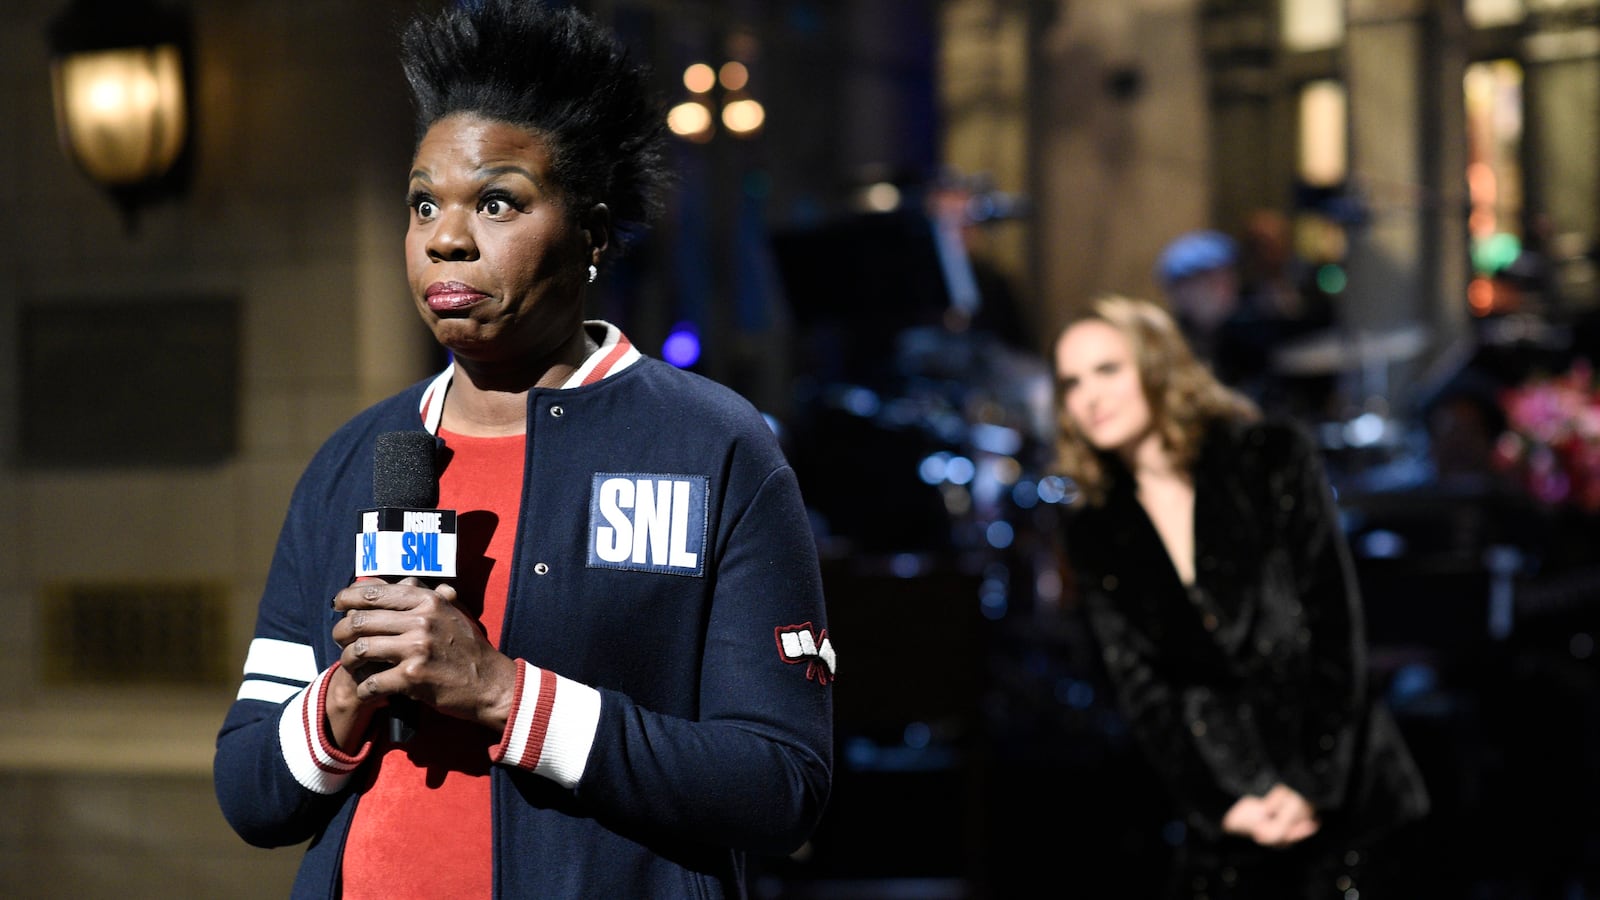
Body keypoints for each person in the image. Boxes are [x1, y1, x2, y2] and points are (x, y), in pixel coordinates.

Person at [212, 3, 835, 897]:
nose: (446, 237)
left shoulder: (713, 446)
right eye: (424, 203)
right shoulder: (356, 458)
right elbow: (249, 796)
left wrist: (506, 694)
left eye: (497, 202)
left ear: (591, 233)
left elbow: (781, 787)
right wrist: (350, 690)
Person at [1050, 295, 1429, 898]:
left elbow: (1336, 629)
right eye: (1072, 382)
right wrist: (1221, 805)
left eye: (1107, 369)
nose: (1089, 395)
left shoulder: (1269, 457)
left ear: (1155, 364)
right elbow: (1141, 689)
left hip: (1347, 794)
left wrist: (1308, 785)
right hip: (1232, 816)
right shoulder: (1093, 527)